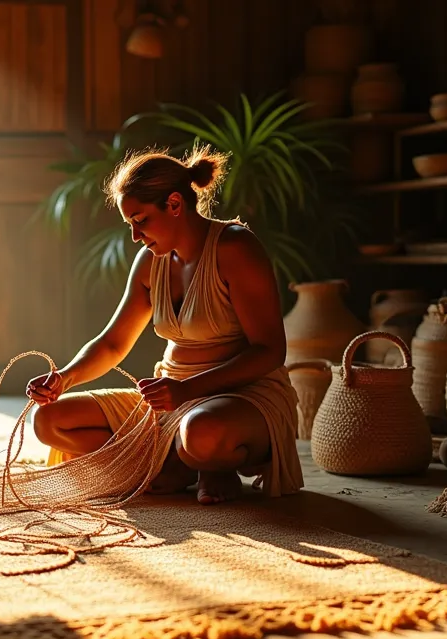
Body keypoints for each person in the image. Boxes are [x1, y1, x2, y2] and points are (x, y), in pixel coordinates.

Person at [25, 144, 304, 505]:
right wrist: (65, 378)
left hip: (241, 398)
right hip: (170, 401)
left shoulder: (235, 248)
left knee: (202, 433)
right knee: (48, 420)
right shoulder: (149, 262)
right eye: (130, 224)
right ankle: (178, 464)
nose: (135, 236)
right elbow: (112, 343)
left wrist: (188, 390)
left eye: (140, 220)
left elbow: (270, 352)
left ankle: (196, 461)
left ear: (174, 204)